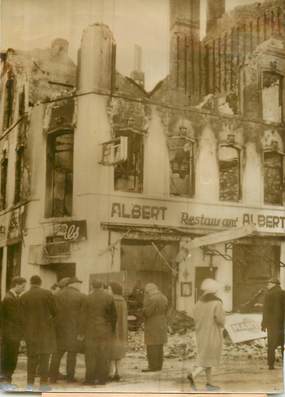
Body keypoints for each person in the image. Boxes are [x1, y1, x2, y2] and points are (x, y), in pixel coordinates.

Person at [187, 278, 225, 391]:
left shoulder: (198, 302)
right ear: (214, 290)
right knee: (210, 357)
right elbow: (220, 320)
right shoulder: (217, 302)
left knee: (206, 356)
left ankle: (209, 383)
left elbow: (193, 316)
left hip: (200, 333)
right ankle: (193, 375)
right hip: (213, 333)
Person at [20, 275, 56, 389]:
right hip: (45, 331)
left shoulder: (24, 296)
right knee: (45, 358)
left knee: (32, 358)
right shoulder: (48, 294)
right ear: (40, 283)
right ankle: (43, 384)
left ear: (30, 283)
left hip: (30, 332)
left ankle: (29, 384)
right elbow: (55, 311)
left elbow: (21, 317)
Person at [79, 280, 117, 385]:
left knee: (90, 355)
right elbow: (114, 316)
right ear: (101, 286)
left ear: (92, 286)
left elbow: (83, 317)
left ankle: (89, 379)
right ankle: (102, 379)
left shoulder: (87, 298)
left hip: (90, 330)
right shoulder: (109, 298)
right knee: (103, 355)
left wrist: (81, 332)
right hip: (105, 330)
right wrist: (112, 330)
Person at [49, 277, 85, 383]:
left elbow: (52, 312)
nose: (80, 286)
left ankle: (52, 377)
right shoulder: (81, 296)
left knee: (57, 353)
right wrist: (81, 331)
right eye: (79, 283)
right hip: (73, 330)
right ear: (75, 284)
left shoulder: (56, 295)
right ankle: (70, 377)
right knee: (71, 354)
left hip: (58, 329)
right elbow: (83, 316)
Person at [0, 277, 27, 385]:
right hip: (11, 334)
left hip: (10, 333)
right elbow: (15, 318)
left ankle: (6, 376)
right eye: (23, 286)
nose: (23, 289)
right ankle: (6, 377)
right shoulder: (10, 299)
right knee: (9, 355)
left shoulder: (12, 297)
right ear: (16, 284)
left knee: (9, 355)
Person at [142, 283, 168, 372]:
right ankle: (159, 366)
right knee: (159, 345)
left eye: (146, 291)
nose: (146, 293)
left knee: (151, 345)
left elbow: (148, 312)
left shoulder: (152, 299)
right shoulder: (164, 297)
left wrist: (143, 310)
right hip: (162, 322)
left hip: (152, 323)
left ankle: (152, 366)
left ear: (149, 290)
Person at [261, 278, 284, 370]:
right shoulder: (283, 293)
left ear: (274, 284)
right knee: (283, 343)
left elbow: (265, 311)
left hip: (272, 324)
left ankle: (271, 364)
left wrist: (263, 324)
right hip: (282, 323)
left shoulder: (268, 294)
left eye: (269, 283)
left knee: (271, 344)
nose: (267, 284)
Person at [109, 282, 128, 381]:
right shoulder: (123, 301)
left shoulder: (111, 300)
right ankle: (118, 372)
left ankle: (111, 373)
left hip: (113, 329)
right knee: (119, 352)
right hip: (122, 329)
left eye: (109, 288)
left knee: (111, 351)